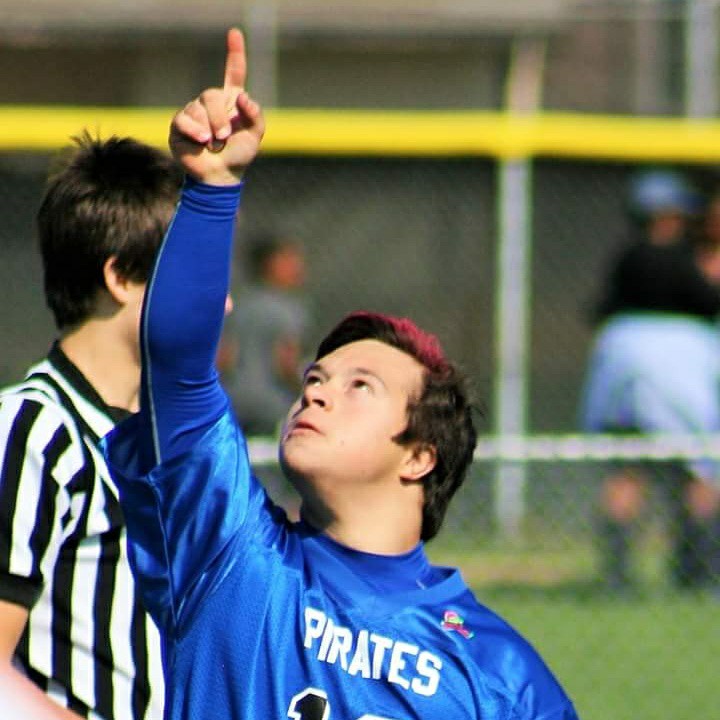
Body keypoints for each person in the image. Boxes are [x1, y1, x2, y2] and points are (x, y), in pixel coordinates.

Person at [103, 28, 579, 720]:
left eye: (361, 385)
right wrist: (211, 189)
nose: (318, 388)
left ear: (420, 455)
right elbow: (177, 365)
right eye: (317, 378)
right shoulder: (233, 555)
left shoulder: (496, 674)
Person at [0, 132, 181, 719]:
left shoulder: (164, 438)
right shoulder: (35, 429)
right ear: (122, 277)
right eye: (194, 273)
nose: (221, 303)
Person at [580, 168, 720, 594]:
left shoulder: (625, 259)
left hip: (618, 359)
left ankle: (618, 579)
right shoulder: (682, 259)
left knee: (626, 468)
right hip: (681, 358)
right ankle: (698, 575)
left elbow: (598, 310)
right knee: (700, 467)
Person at [218, 230, 310, 436]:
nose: (298, 267)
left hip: (234, 400)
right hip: (271, 404)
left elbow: (223, 357)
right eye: (290, 261)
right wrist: (302, 390)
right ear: (270, 265)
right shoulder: (289, 309)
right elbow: (285, 363)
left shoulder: (238, 304)